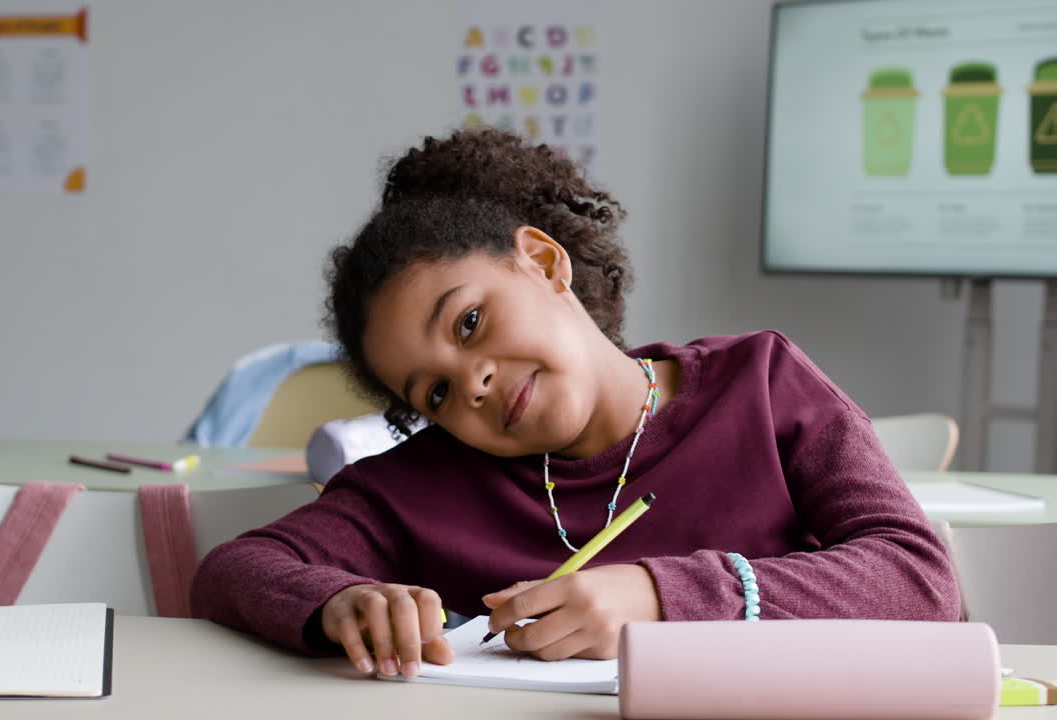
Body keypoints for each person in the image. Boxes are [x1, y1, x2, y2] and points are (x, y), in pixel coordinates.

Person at [192, 128, 959, 680]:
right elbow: (235, 567)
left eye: (469, 323)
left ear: (543, 262)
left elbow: (920, 580)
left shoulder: (760, 385)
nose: (474, 386)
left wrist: (665, 596)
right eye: (435, 392)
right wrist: (342, 601)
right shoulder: (426, 483)